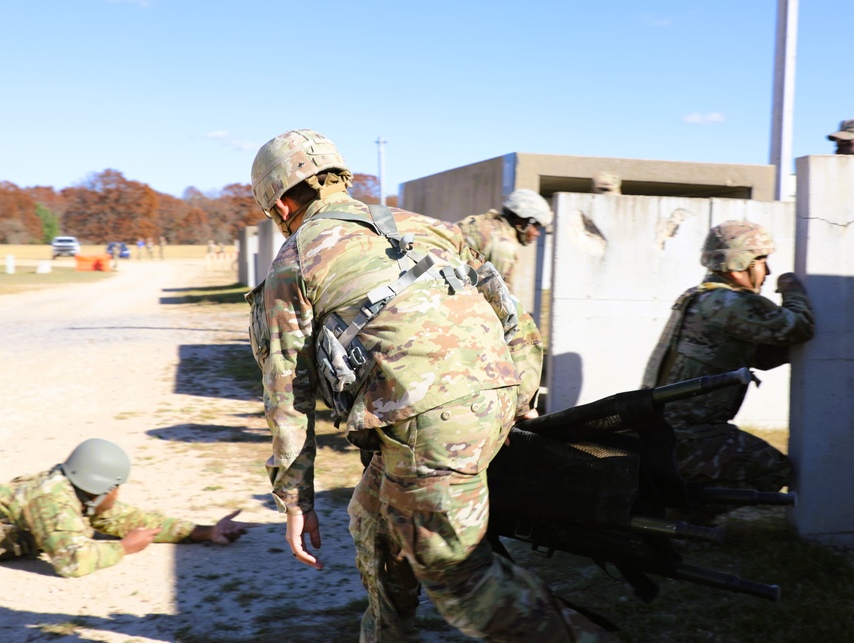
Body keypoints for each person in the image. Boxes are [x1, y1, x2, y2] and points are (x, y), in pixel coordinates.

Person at [247, 129, 614, 641]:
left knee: (459, 579)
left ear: (282, 202)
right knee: (372, 519)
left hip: (429, 421)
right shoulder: (424, 227)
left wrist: (295, 500)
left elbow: (287, 393)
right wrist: (519, 397)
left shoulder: (295, 261)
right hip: (475, 401)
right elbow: (515, 317)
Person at [642, 220, 815, 494]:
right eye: (761, 261)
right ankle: (686, 519)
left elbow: (755, 355)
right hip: (688, 436)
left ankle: (673, 505)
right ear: (739, 265)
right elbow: (800, 326)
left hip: (660, 430)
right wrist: (791, 286)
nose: (767, 271)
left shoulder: (698, 297)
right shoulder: (732, 302)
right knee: (773, 469)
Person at [0, 438, 259, 578]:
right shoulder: (53, 502)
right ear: (99, 486)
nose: (118, 493)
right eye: (117, 486)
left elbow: (133, 520)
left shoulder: (78, 491)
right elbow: (71, 562)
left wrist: (204, 531)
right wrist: (124, 548)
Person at [456, 188, 553, 287]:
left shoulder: (487, 223)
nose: (537, 233)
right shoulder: (504, 243)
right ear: (521, 222)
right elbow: (497, 294)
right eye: (536, 226)